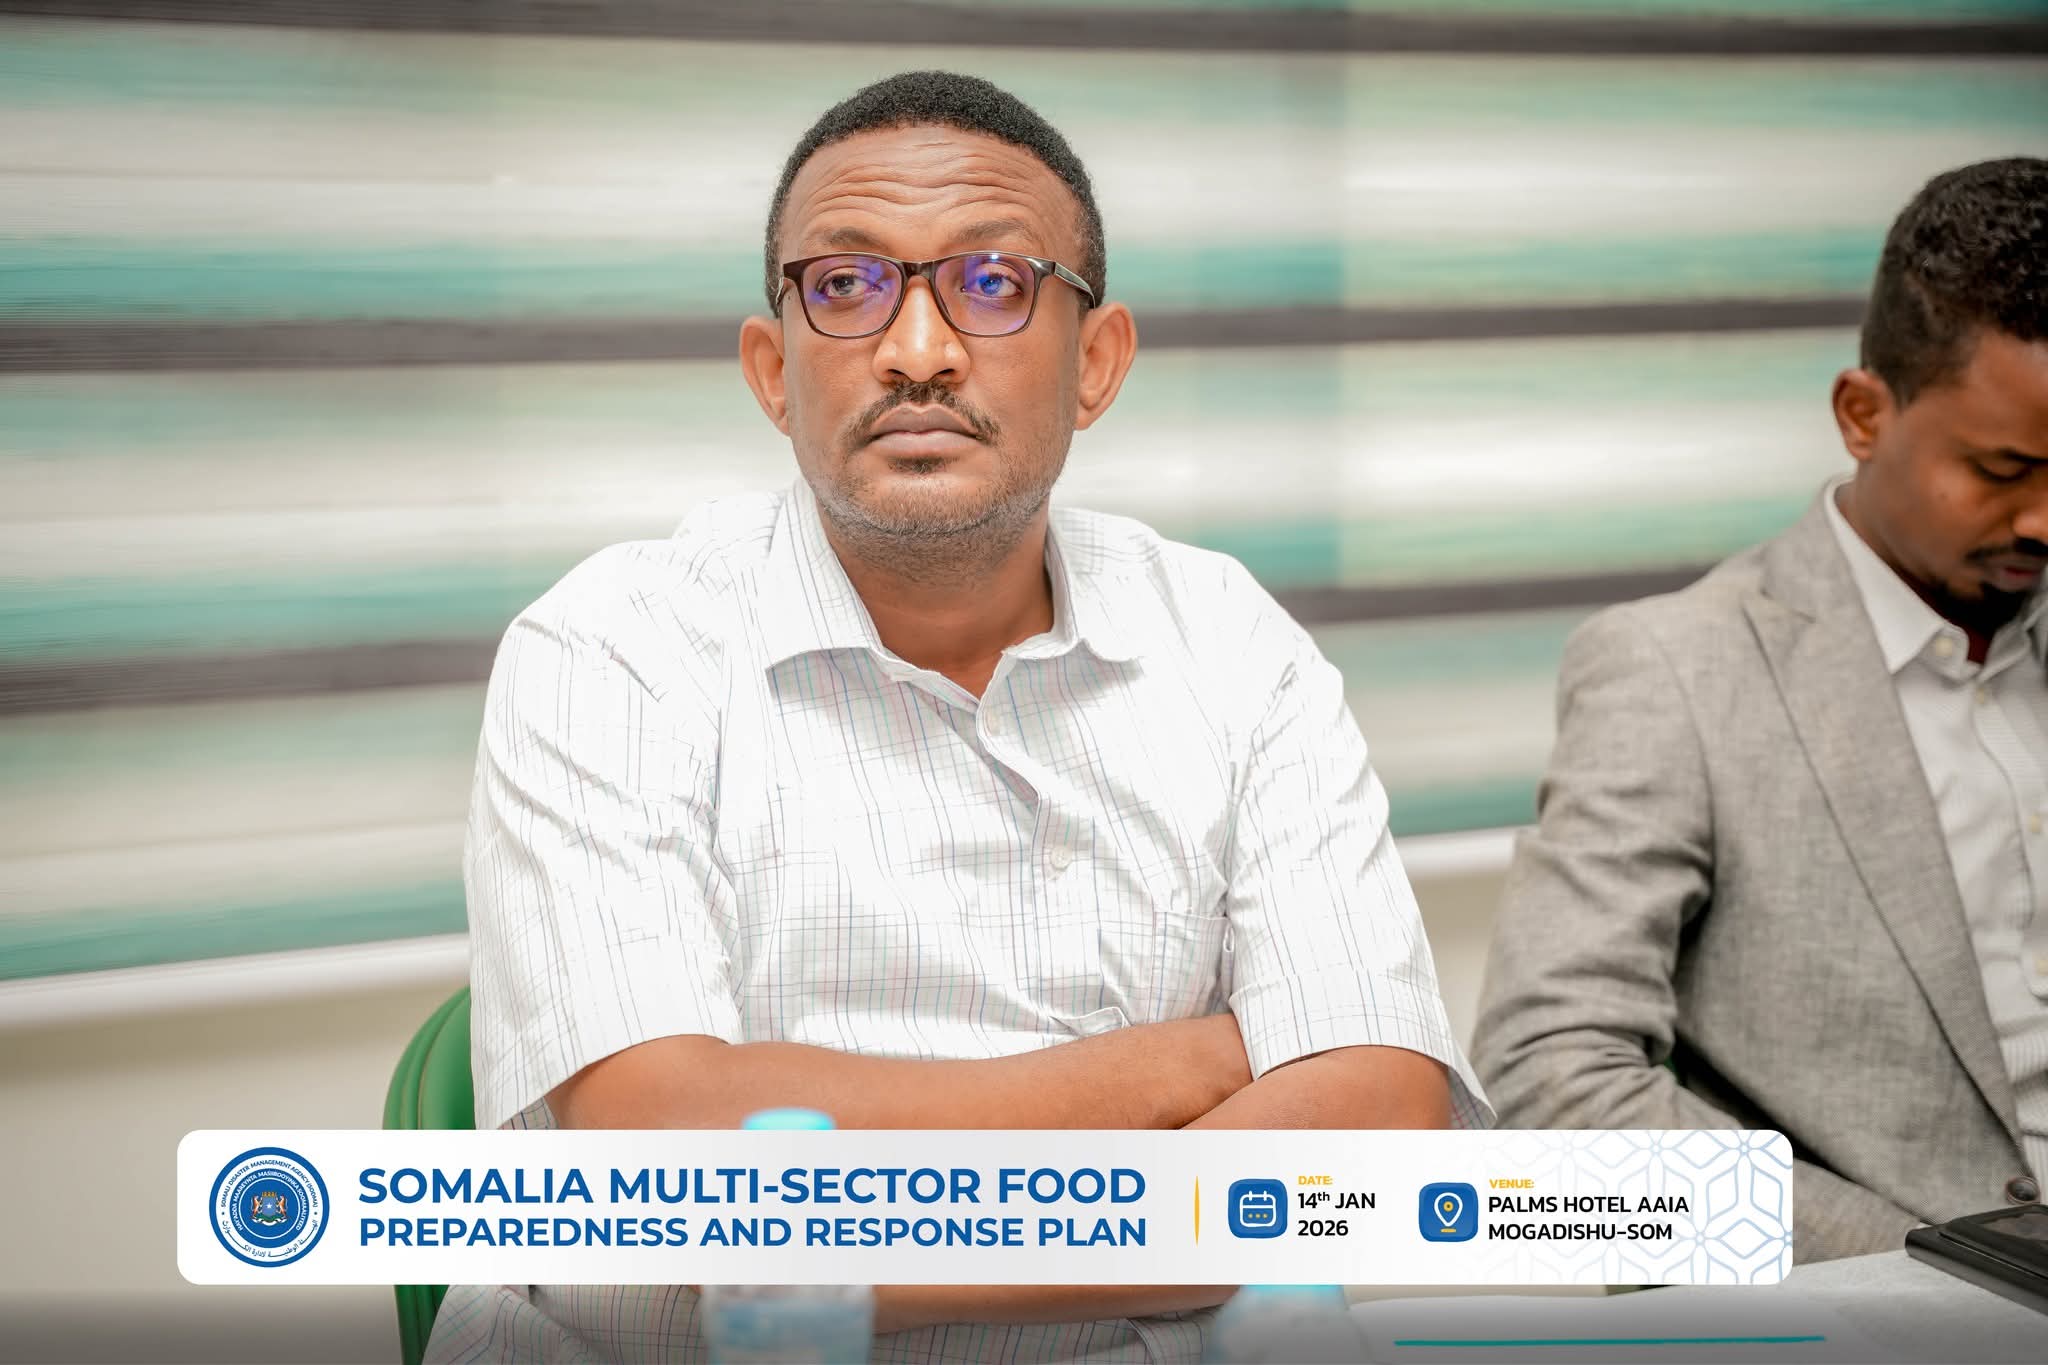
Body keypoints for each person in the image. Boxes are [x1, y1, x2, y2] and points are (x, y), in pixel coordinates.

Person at [426, 70, 1486, 1364]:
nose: (917, 351)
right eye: (845, 285)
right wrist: (1174, 1071)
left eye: (992, 283)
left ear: (1095, 362)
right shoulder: (609, 650)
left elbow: (1372, 1133)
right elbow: (671, 1174)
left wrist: (831, 1232)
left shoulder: (1230, 642)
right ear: (772, 369)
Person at [1472, 157, 2047, 1263]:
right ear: (1861, 415)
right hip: (1885, 1302)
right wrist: (1933, 1273)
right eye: (1999, 468)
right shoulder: (1678, 670)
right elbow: (1549, 1091)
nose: (2042, 520)